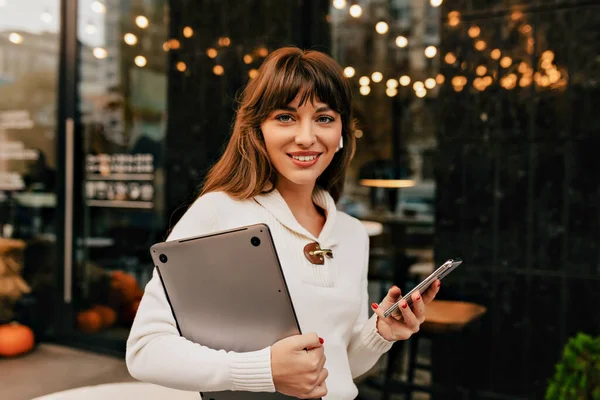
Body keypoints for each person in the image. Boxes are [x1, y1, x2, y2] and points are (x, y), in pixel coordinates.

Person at [126, 46, 440, 400]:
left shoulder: (353, 233)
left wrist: (380, 333)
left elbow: (338, 368)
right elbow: (145, 351)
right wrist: (264, 371)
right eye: (286, 117)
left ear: (341, 134)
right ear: (258, 130)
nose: (306, 137)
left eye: (324, 118)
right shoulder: (217, 213)